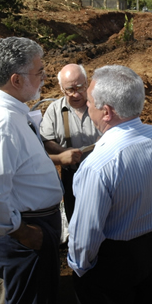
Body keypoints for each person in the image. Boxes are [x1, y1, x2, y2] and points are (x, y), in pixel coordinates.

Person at [67, 65, 152, 304]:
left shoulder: (98, 165)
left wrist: (81, 269)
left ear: (106, 112)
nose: (87, 108)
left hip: (115, 262)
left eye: (89, 103)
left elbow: (85, 239)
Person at [0, 36, 63, 304]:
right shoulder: (2, 123)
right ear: (16, 79)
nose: (45, 78)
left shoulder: (4, 109)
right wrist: (22, 232)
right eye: (39, 72)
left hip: (27, 224)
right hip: (24, 232)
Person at [40, 64, 102, 222]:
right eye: (70, 90)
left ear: (87, 83)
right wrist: (63, 152)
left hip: (101, 175)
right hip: (71, 176)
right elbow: (47, 140)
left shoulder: (100, 106)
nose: (76, 94)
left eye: (80, 87)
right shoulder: (54, 110)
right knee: (74, 218)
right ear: (61, 89)